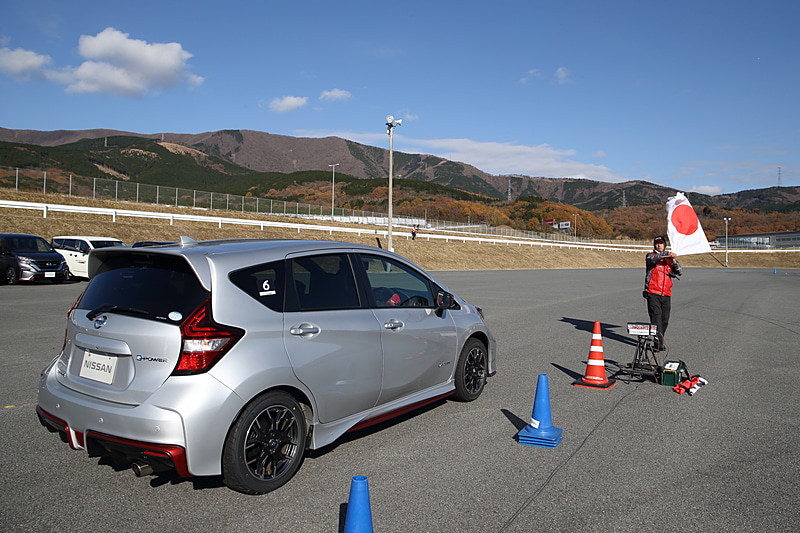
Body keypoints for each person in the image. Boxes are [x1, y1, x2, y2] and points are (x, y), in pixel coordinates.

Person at [643, 235, 682, 351]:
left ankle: (659, 338)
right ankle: (658, 342)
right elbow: (653, 259)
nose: (659, 245)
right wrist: (667, 254)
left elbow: (679, 272)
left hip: (666, 293)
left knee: (665, 320)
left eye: (661, 243)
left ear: (665, 244)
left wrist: (673, 259)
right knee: (656, 318)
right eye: (657, 243)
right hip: (653, 292)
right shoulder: (651, 256)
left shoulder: (669, 259)